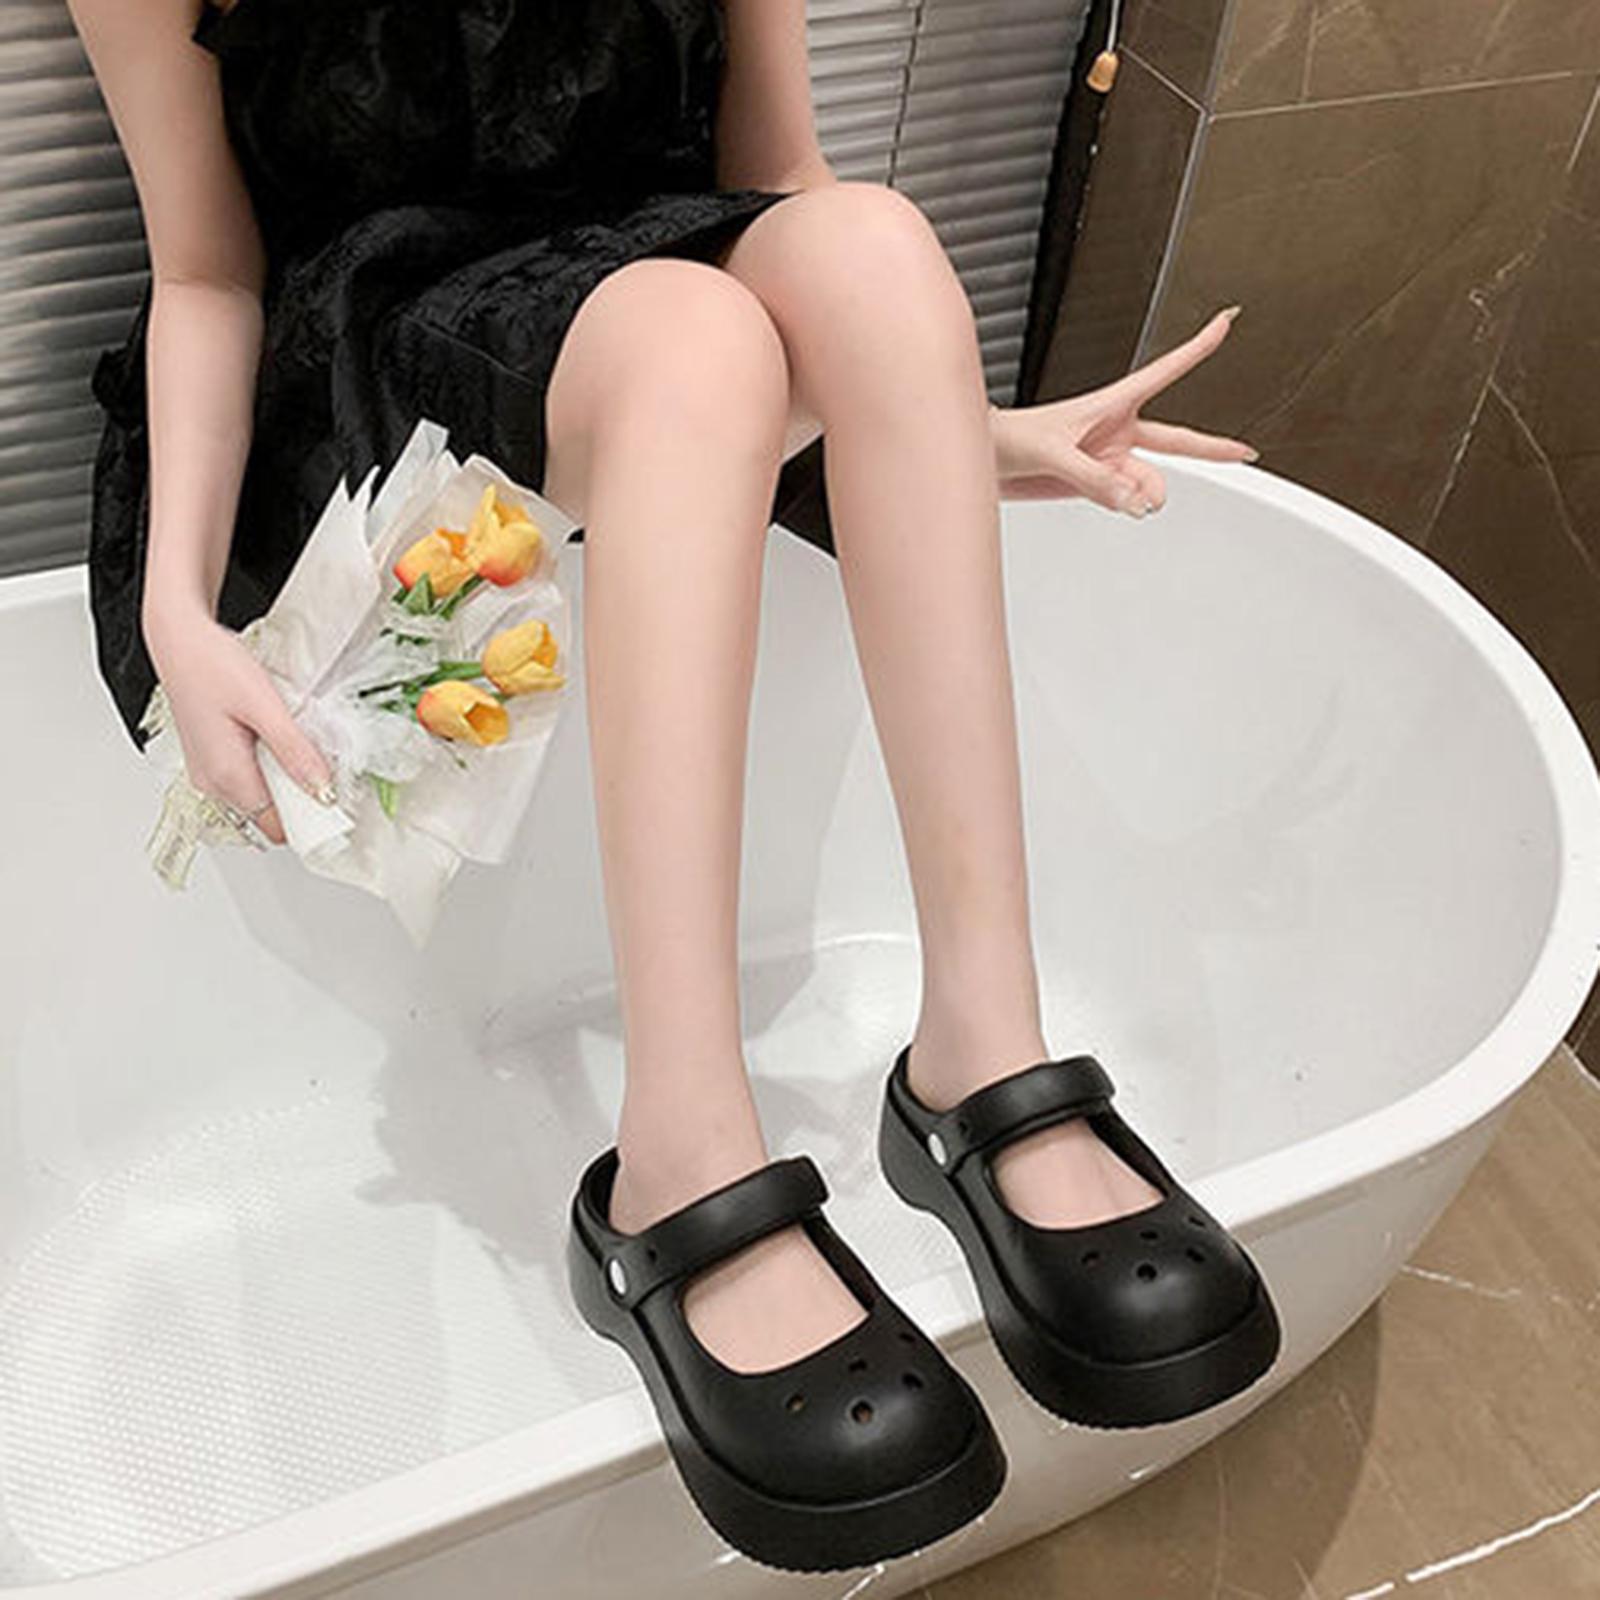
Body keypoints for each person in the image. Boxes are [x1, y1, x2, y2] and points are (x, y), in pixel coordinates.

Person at [71, 0, 1270, 1569]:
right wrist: (177, 611)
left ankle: (982, 1049)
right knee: (694, 341)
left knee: (879, 249)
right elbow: (205, 271)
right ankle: (679, 1160)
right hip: (374, 348)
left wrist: (945, 420)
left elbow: (779, 181)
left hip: (653, 301)